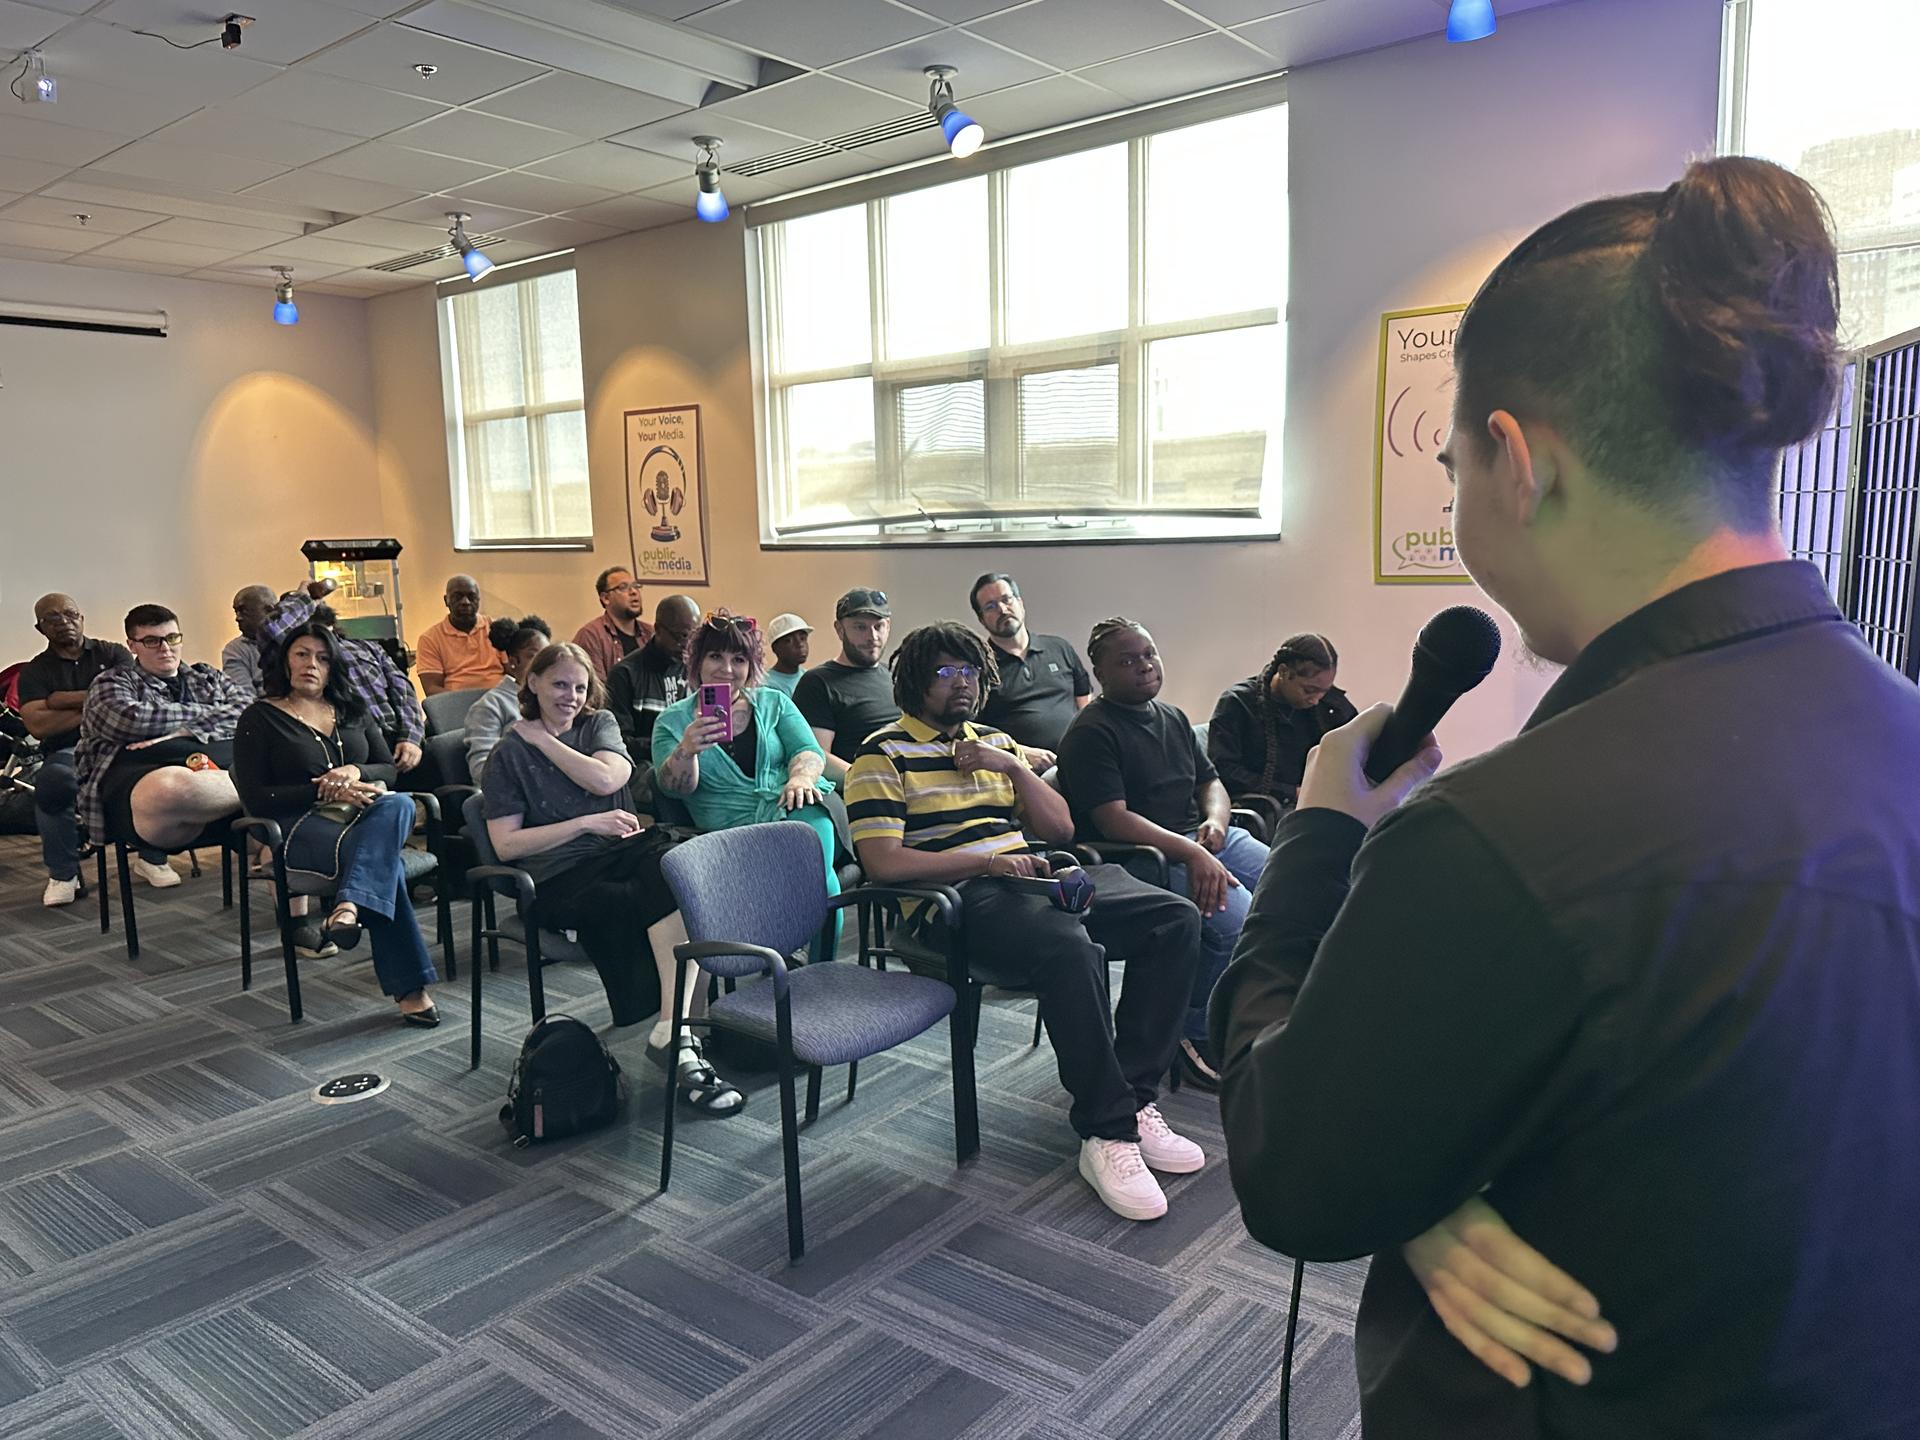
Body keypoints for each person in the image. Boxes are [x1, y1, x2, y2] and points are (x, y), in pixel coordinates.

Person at [1212, 157, 1920, 1437]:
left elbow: (1293, 1171)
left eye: (1450, 473)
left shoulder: (1499, 839)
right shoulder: (1903, 735)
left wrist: (1320, 838)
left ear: (1515, 462)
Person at [846, 622, 1205, 1222]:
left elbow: (1062, 830)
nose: (962, 684)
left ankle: (1135, 1099)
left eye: (970, 672)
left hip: (1034, 879)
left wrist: (1010, 767)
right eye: (945, 673)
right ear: (914, 681)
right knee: (1070, 948)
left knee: (1174, 917)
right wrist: (987, 860)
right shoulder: (881, 755)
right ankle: (1107, 1132)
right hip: (958, 903)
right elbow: (884, 862)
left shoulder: (994, 742)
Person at [481, 643, 727, 1110]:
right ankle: (683, 1032)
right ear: (532, 682)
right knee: (667, 878)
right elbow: (506, 846)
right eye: (558, 684)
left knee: (679, 866)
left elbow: (607, 781)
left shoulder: (598, 725)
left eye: (579, 686)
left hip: (618, 855)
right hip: (556, 879)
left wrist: (541, 739)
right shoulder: (506, 756)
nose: (570, 696)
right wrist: (585, 823)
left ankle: (676, 1031)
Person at [1057, 619, 1266, 1093]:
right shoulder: (1092, 732)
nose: (1144, 666)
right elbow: (1114, 820)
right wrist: (1193, 851)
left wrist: (1214, 819)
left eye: (1148, 654)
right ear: (1099, 673)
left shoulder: (1171, 717)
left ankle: (1241, 1010)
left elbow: (1210, 782)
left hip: (1198, 839)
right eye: (1127, 661)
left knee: (1284, 885)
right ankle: (1191, 1033)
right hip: (1141, 856)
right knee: (1238, 921)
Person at [233, 622, 438, 1025]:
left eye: (323, 658)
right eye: (302, 654)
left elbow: (388, 771)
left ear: (334, 668)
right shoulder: (260, 717)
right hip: (300, 828)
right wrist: (325, 791)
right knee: (387, 866)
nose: (312, 664)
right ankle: (409, 990)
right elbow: (256, 797)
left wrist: (353, 771)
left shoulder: (351, 710)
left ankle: (348, 906)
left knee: (398, 804)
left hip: (365, 820)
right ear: (285, 661)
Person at [653, 611, 839, 941]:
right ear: (696, 661)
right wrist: (687, 749)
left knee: (819, 878)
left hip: (789, 806)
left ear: (751, 666)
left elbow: (809, 751)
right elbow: (673, 789)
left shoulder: (772, 702)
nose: (727, 669)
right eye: (715, 656)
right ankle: (781, 953)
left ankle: (819, 968)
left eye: (738, 659)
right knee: (804, 877)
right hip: (729, 831)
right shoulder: (672, 721)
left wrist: (800, 778)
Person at [74, 604, 248, 875]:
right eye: (152, 641)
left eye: (172, 638)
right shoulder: (112, 682)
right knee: (169, 789)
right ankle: (267, 790)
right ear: (132, 645)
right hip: (135, 788)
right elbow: (130, 720)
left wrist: (181, 733)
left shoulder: (207, 676)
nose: (165, 648)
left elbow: (249, 712)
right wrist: (210, 718)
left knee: (272, 832)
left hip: (214, 784)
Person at [16, 593, 132, 906]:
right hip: (69, 750)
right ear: (40, 628)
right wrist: (97, 703)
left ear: (81, 618)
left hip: (123, 744)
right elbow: (38, 725)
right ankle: (63, 874)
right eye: (53, 618)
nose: (64, 622)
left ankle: (152, 856)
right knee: (52, 783)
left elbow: (128, 700)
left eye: (70, 614)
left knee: (151, 771)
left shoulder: (114, 653)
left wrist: (58, 700)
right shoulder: (35, 672)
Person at [262, 585, 426, 774]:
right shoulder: (291, 652)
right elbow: (273, 629)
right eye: (302, 607)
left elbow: (404, 689)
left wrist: (411, 737)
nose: (316, 604)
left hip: (396, 740)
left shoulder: (366, 647)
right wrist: (304, 596)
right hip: (351, 745)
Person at [1207, 634, 1359, 811]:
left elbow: (1359, 745)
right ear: (1284, 672)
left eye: (1323, 691)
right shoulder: (1238, 703)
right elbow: (1224, 771)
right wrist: (1290, 792)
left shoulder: (1330, 705)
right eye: (1309, 690)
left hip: (1316, 801)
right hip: (1266, 805)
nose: (1315, 700)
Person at [969, 572, 1092, 773]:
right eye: (990, 606)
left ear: (1020, 603)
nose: (1002, 609)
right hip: (1023, 772)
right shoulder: (978, 667)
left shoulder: (1059, 648)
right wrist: (1020, 752)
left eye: (1006, 599)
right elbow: (971, 732)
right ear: (982, 620)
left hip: (1081, 758)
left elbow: (1084, 700)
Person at [794, 588, 897, 782]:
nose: (872, 637)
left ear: (888, 626)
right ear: (840, 630)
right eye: (860, 627)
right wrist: (871, 781)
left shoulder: (896, 676)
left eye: (878, 626)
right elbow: (817, 756)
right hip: (864, 790)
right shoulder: (817, 682)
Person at [606, 594, 700, 797]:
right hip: (645, 766)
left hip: (693, 759)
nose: (688, 646)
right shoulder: (626, 674)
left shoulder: (695, 670)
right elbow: (618, 742)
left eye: (694, 637)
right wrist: (668, 745)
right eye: (682, 636)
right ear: (658, 629)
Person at [465, 615, 551, 785]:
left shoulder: (553, 700)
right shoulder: (489, 706)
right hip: (513, 795)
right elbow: (482, 770)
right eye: (534, 657)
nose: (545, 665)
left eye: (548, 657)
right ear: (513, 662)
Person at [415, 574, 505, 695]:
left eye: (471, 597)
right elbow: (432, 689)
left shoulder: (496, 628)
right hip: (457, 705)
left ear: (479, 601)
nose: (465, 602)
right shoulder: (430, 639)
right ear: (446, 601)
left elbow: (515, 672)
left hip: (499, 701)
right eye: (458, 597)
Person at [572, 567, 653, 680]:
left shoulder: (651, 633)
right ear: (605, 598)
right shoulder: (591, 636)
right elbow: (596, 690)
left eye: (636, 586)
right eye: (623, 587)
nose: (634, 592)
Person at [223, 585, 276, 693]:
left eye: (243, 610)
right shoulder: (236, 649)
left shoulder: (296, 640)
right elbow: (243, 696)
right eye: (236, 612)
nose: (237, 618)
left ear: (269, 611)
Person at [762, 613, 811, 697]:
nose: (799, 644)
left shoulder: (810, 677)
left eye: (803, 638)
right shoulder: (766, 685)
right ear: (775, 648)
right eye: (788, 641)